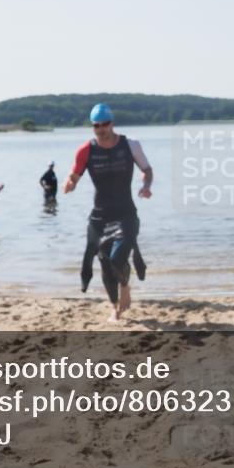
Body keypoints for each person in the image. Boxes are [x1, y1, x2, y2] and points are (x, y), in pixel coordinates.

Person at [63, 103, 153, 321]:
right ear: (93, 126)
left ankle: (125, 284)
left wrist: (146, 186)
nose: (101, 129)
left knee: (117, 259)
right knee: (104, 264)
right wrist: (69, 184)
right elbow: (74, 175)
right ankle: (114, 307)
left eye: (105, 124)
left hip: (126, 213)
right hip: (100, 216)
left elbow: (147, 170)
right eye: (96, 125)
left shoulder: (130, 145)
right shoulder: (86, 150)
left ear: (112, 123)